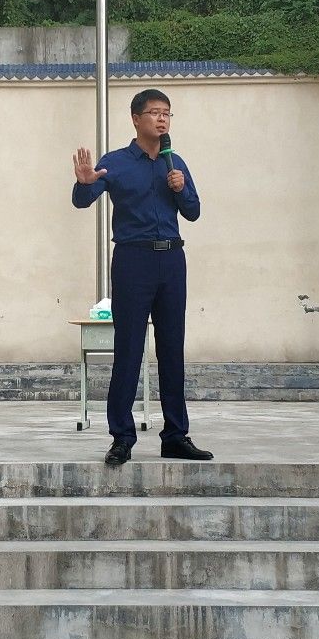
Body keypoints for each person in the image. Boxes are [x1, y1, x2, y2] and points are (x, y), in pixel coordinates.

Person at [72, 89, 212, 466]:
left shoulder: (174, 162)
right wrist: (85, 182)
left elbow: (194, 213)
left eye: (167, 113)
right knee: (129, 349)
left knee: (172, 349)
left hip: (172, 261)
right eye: (154, 112)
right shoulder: (115, 162)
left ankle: (175, 435)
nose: (162, 119)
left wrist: (182, 191)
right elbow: (83, 201)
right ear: (136, 119)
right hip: (133, 261)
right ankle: (121, 437)